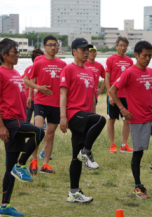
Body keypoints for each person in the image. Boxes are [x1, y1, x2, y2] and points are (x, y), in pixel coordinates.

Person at [0, 38, 43, 217]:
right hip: (10, 122)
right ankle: (21, 165)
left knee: (9, 168)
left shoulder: (15, 73)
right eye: (14, 52)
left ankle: (4, 206)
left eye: (18, 51)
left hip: (18, 119)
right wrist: (1, 126)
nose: (18, 55)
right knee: (38, 131)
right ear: (4, 55)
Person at [110, 44, 152, 199]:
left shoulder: (151, 72)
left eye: (149, 56)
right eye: (144, 55)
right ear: (136, 55)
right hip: (137, 119)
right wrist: (123, 110)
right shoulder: (129, 72)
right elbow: (112, 90)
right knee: (138, 154)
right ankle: (138, 186)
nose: (147, 59)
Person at [57, 38, 101, 204]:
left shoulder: (90, 72)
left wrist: (93, 116)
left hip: (86, 115)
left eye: (87, 49)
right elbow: (63, 94)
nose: (86, 52)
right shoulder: (68, 69)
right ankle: (87, 152)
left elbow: (91, 98)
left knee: (75, 156)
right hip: (73, 114)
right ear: (74, 51)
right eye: (82, 49)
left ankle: (73, 192)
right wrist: (62, 117)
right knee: (102, 120)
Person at [23, 35, 66, 174]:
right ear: (45, 47)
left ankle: (45, 164)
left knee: (50, 134)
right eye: (50, 45)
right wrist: (38, 88)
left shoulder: (63, 64)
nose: (53, 47)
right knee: (38, 131)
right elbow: (26, 79)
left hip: (56, 104)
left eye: (55, 44)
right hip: (41, 101)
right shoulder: (39, 63)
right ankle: (33, 160)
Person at [105, 36, 134, 154]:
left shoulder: (130, 61)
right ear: (116, 46)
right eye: (121, 45)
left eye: (125, 46)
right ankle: (112, 144)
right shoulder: (110, 59)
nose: (123, 48)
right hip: (113, 94)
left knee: (126, 120)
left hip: (126, 95)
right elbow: (107, 79)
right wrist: (110, 95)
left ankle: (124, 145)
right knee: (111, 119)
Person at [25, 49, 45, 126]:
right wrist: (29, 96)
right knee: (27, 119)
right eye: (37, 57)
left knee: (39, 120)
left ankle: (37, 135)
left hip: (40, 98)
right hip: (30, 98)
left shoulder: (44, 68)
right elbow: (27, 81)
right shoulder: (30, 68)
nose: (39, 59)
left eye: (41, 56)